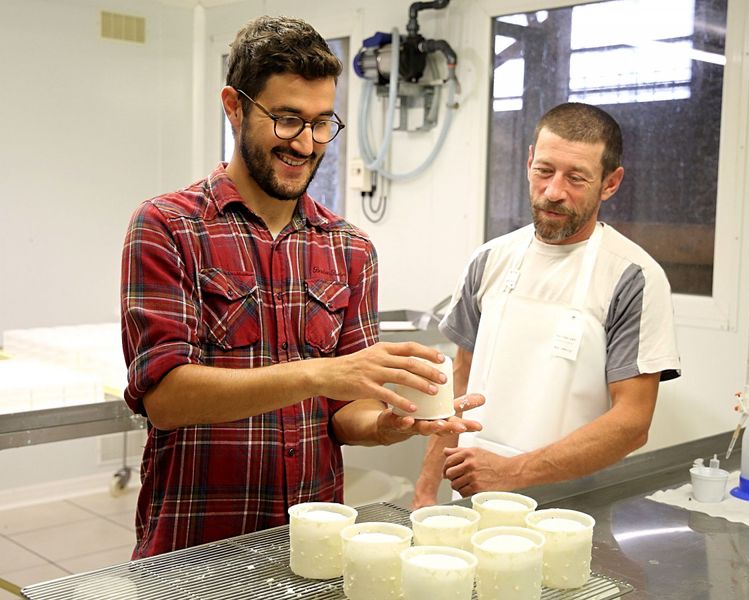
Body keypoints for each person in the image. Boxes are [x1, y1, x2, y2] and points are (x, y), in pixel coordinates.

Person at [120, 15, 482, 559]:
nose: (307, 144)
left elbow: (343, 409)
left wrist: (388, 423)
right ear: (235, 106)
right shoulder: (168, 226)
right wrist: (322, 372)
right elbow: (167, 399)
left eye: (321, 123)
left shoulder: (349, 247)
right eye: (287, 120)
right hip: (196, 541)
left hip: (313, 542)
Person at [413, 102, 681, 507]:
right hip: (470, 495)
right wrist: (426, 489)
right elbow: (460, 384)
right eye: (544, 171)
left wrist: (512, 472)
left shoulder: (632, 277)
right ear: (529, 163)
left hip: (572, 510)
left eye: (576, 178)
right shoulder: (490, 259)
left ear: (610, 183)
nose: (554, 192)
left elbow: (632, 424)